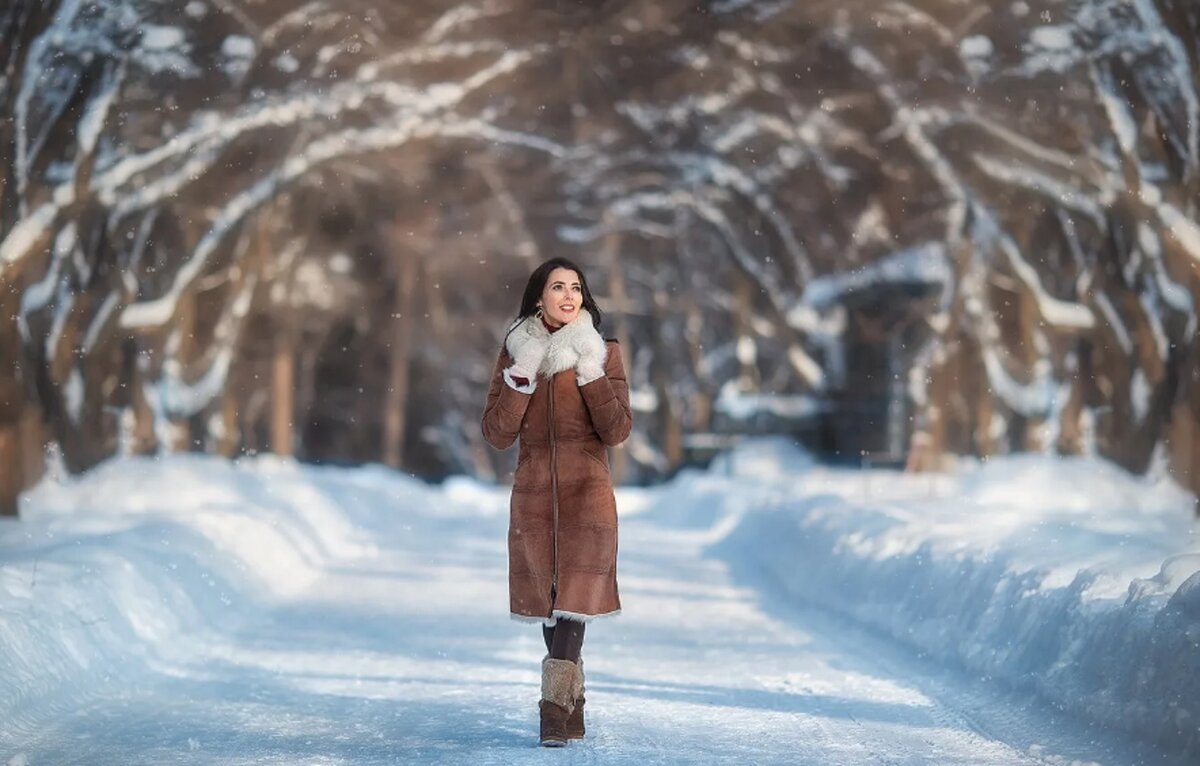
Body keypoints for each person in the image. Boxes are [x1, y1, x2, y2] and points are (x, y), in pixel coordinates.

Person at [480, 257, 633, 747]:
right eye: (558, 287)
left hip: (587, 495)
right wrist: (520, 378)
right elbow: (497, 434)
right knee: (550, 605)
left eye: (576, 288)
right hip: (533, 500)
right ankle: (574, 700)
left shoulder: (603, 352)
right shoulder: (514, 353)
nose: (569, 296)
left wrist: (591, 375)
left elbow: (617, 430)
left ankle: (550, 710)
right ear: (538, 297)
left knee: (572, 604)